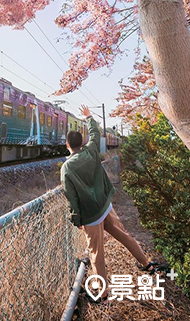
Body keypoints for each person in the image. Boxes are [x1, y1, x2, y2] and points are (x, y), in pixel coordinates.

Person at [61, 104, 156, 303]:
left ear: (68, 145)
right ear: (82, 142)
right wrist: (88, 117)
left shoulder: (67, 168)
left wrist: (76, 219)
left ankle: (102, 293)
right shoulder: (92, 151)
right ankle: (147, 265)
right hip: (106, 206)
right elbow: (95, 133)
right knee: (124, 235)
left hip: (91, 215)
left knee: (96, 253)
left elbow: (72, 198)